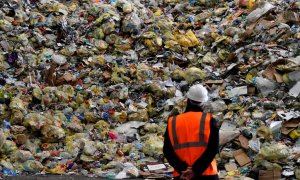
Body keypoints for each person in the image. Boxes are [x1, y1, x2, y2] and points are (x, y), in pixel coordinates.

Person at [163, 84, 219, 180]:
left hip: (182, 175)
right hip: (207, 174)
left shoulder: (173, 121)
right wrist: (195, 170)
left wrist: (183, 168)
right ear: (204, 103)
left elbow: (167, 151)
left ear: (187, 100)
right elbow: (213, 149)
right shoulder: (209, 120)